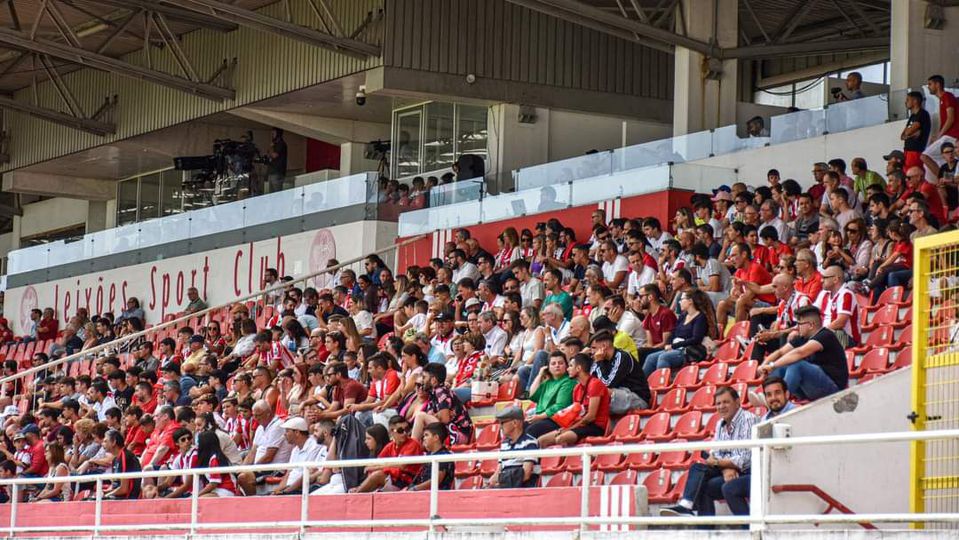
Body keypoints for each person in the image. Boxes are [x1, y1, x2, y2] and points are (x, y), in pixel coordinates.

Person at [660, 386, 756, 518]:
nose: (722, 406)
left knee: (710, 484)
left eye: (726, 402)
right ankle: (691, 511)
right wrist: (724, 468)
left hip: (748, 471)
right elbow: (715, 452)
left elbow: (744, 459)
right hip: (729, 468)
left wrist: (718, 463)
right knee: (698, 470)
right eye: (718, 403)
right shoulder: (720, 423)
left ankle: (748, 529)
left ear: (738, 402)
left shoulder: (747, 419)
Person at [758, 306, 849, 401]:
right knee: (781, 367)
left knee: (797, 365)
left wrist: (772, 365)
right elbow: (780, 352)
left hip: (833, 388)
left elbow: (799, 353)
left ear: (811, 325)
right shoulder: (802, 338)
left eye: (799, 324)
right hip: (812, 386)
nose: (797, 327)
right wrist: (764, 366)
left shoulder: (825, 335)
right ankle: (767, 396)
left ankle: (779, 399)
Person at [537, 354, 610, 447]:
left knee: (561, 438)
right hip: (579, 425)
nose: (568, 369)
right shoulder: (577, 388)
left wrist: (569, 429)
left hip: (595, 427)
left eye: (571, 366)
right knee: (541, 440)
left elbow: (591, 416)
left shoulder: (595, 384)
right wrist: (565, 428)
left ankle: (568, 461)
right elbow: (576, 413)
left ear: (579, 368)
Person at [350, 415, 423, 493]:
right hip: (393, 479)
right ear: (391, 431)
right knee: (374, 473)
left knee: (377, 475)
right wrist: (374, 467)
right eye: (400, 430)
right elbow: (376, 463)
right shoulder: (390, 446)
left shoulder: (413, 444)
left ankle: (356, 494)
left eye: (407, 429)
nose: (405, 433)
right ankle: (358, 490)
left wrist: (377, 468)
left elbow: (402, 465)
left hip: (408, 482)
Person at [525, 351, 577, 439]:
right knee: (518, 428)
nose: (557, 365)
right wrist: (540, 374)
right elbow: (532, 396)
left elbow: (560, 406)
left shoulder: (568, 382)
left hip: (555, 420)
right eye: (553, 363)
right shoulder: (547, 382)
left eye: (560, 363)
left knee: (530, 431)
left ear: (566, 366)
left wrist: (539, 417)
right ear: (548, 367)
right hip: (540, 418)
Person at [489, 406, 540, 489]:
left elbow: (525, 475)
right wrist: (492, 481)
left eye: (502, 423)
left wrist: (501, 482)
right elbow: (498, 471)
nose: (500, 427)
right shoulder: (504, 444)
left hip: (521, 489)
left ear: (515, 423)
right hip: (505, 486)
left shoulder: (530, 442)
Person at [272, 416, 325, 495]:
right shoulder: (295, 450)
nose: (284, 435)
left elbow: (306, 475)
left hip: (299, 491)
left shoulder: (314, 446)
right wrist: (276, 492)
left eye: (287, 431)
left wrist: (285, 492)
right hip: (289, 489)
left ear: (297, 432)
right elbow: (288, 474)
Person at [408, 422, 454, 492]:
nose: (424, 438)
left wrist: (415, 488)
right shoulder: (429, 454)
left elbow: (436, 480)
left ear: (436, 437)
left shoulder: (444, 456)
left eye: (426, 435)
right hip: (422, 493)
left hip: (437, 495)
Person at [196, 430, 238, 497]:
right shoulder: (210, 458)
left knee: (199, 500)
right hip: (216, 490)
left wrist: (196, 495)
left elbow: (213, 483)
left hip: (226, 490)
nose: (197, 445)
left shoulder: (215, 459)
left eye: (199, 442)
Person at [103, 429, 142, 500]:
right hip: (117, 496)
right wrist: (105, 492)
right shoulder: (115, 459)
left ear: (114, 442)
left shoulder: (125, 457)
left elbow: (124, 489)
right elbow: (116, 485)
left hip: (127, 499)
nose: (103, 444)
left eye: (105, 441)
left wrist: (106, 495)